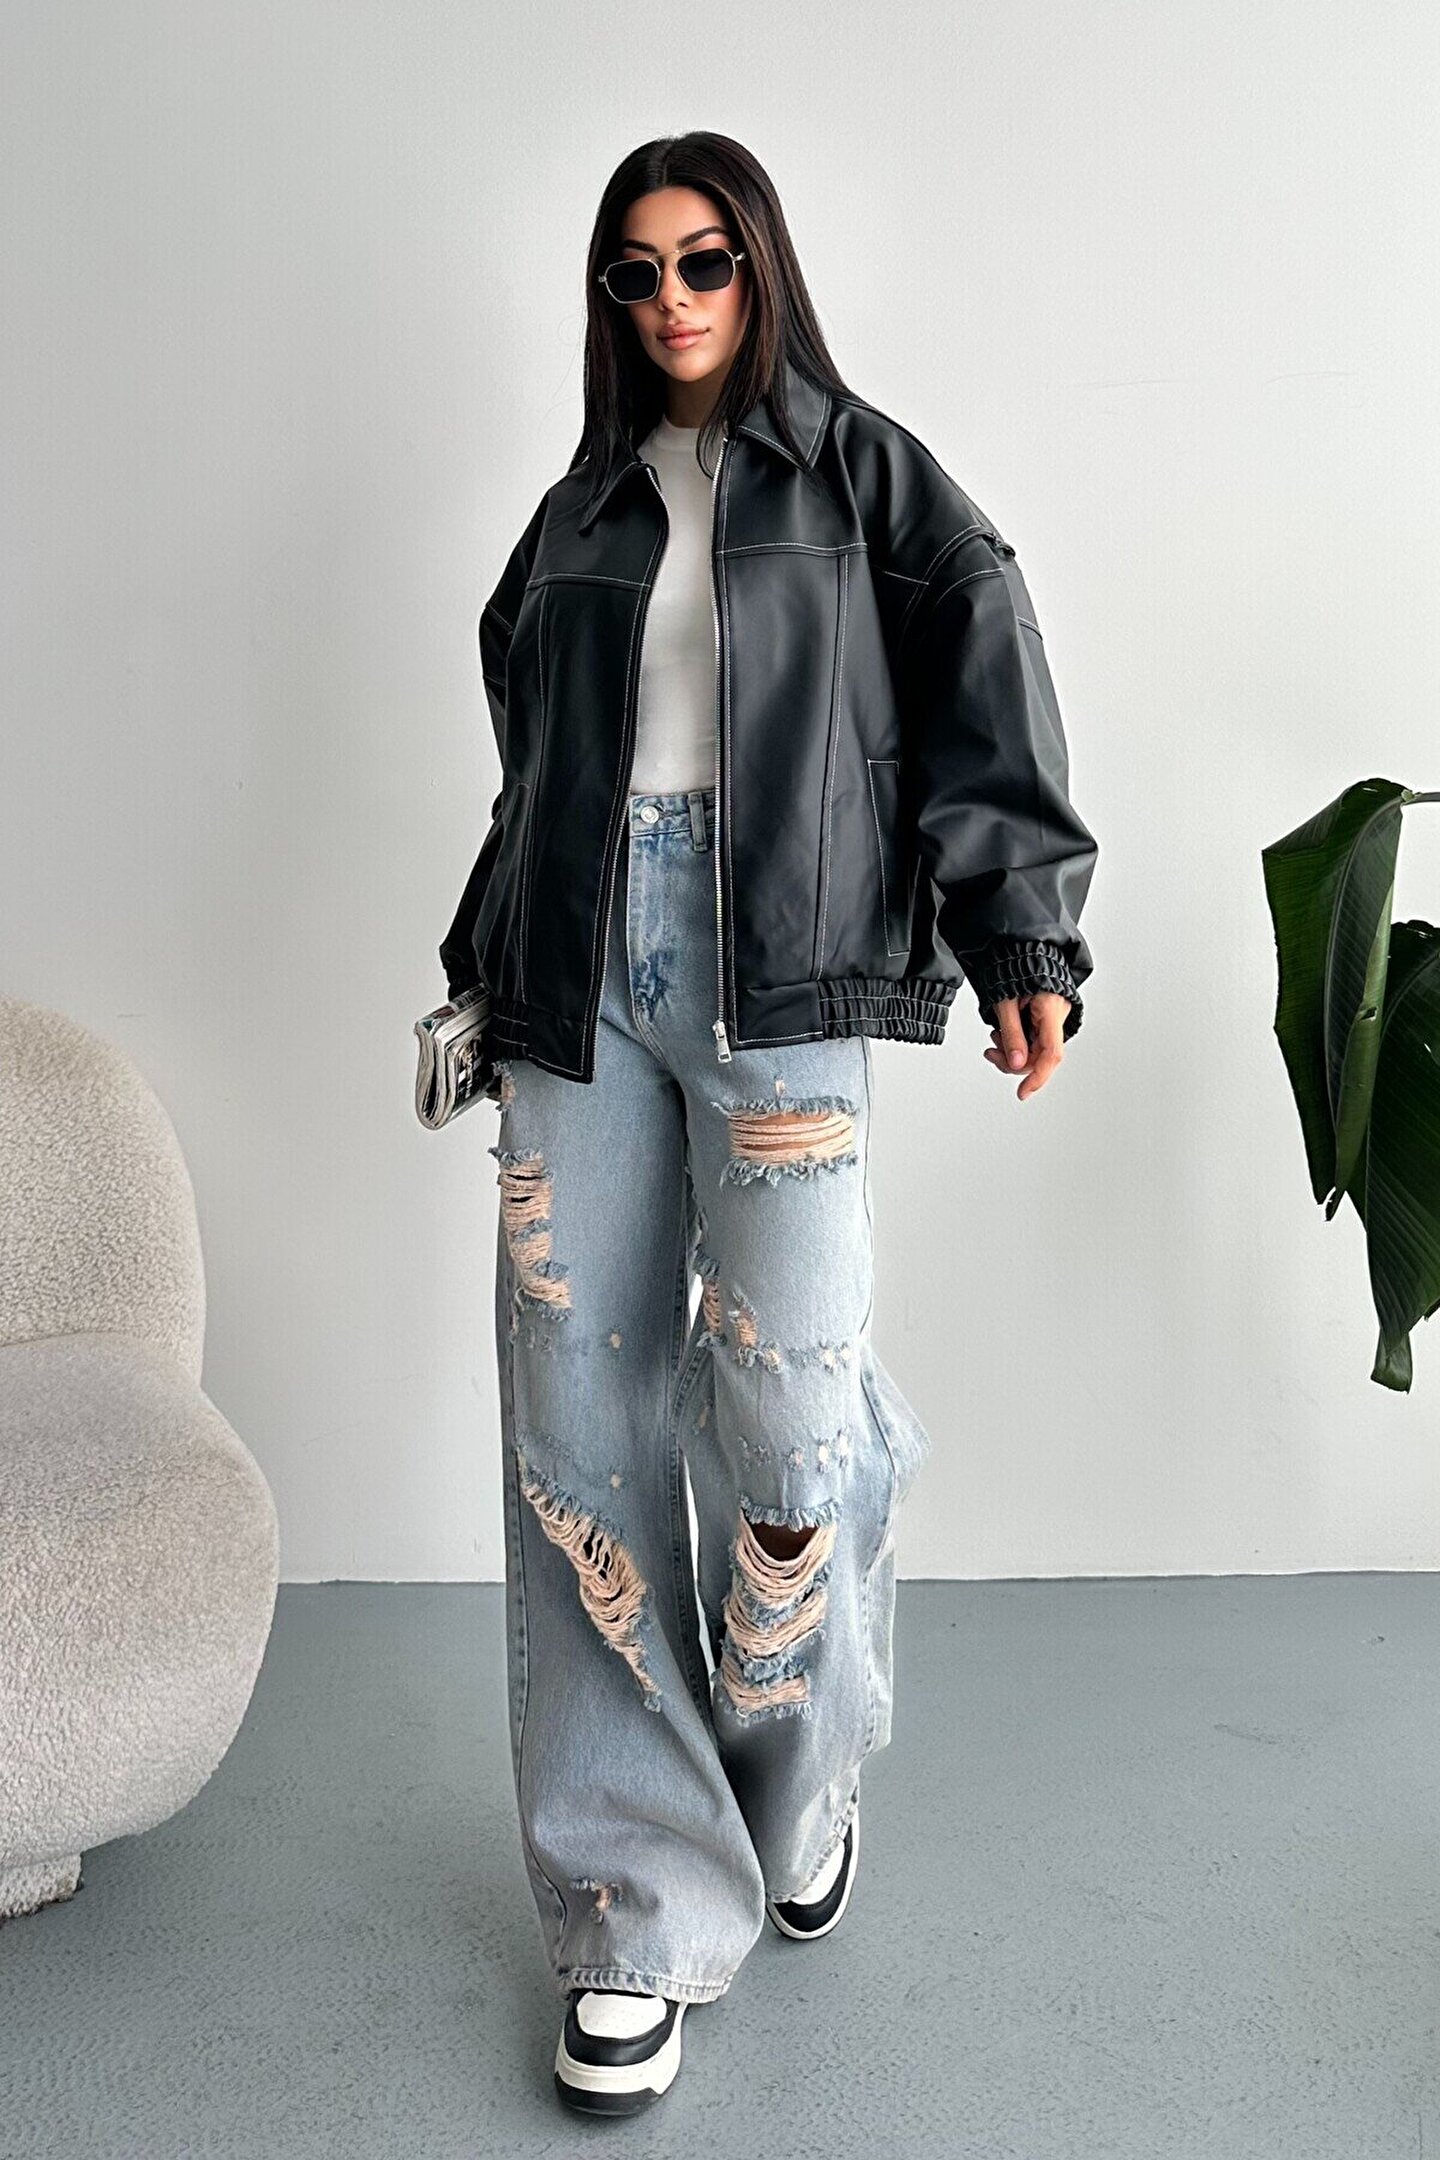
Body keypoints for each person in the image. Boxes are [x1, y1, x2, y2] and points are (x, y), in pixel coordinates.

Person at [440, 130, 1098, 2116]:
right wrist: (486, 970)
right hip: (580, 983)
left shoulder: (868, 479)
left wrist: (1019, 931)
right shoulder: (575, 516)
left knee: (794, 1417)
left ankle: (797, 1783)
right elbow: (533, 767)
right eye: (636, 272)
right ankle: (635, 1906)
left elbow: (985, 669)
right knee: (578, 1431)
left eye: (704, 260)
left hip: (782, 976)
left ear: (762, 267)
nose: (672, 300)